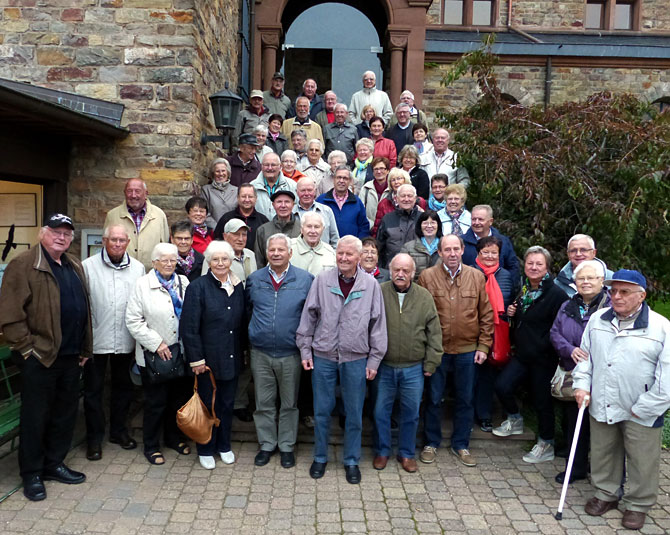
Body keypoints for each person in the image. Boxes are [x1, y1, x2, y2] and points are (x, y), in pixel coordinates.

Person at [0, 214, 92, 501]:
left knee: (64, 415)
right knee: (35, 417)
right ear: (43, 233)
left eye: (66, 233)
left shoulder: (73, 264)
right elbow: (11, 315)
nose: (61, 237)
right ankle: (32, 474)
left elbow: (84, 308)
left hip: (69, 356)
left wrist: (84, 349)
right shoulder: (23, 264)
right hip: (40, 357)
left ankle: (53, 464)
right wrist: (27, 350)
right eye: (55, 232)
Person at [574, 269, 670, 531]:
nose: (616, 296)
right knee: (604, 451)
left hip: (641, 407)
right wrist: (581, 385)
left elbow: (667, 375)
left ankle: (637, 504)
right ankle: (606, 494)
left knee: (642, 458)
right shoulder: (596, 321)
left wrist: (647, 406)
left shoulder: (661, 327)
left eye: (624, 292)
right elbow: (585, 359)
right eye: (613, 290)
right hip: (602, 400)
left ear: (641, 296)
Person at [297, 236, 387, 484]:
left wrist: (374, 361)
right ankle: (320, 457)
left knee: (354, 413)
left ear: (359, 257)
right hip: (323, 355)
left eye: (349, 254)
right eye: (340, 253)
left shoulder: (370, 285)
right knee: (322, 411)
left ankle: (351, 460)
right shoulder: (322, 280)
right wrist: (306, 351)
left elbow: (377, 325)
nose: (344, 258)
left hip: (356, 358)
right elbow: (308, 318)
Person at [417, 234, 493, 467]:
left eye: (455, 249)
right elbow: (420, 316)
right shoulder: (427, 277)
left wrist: (484, 345)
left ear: (462, 251)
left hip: (467, 350)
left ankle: (461, 444)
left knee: (465, 399)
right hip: (437, 351)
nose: (451, 253)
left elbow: (486, 314)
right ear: (439, 253)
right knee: (433, 398)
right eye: (446, 249)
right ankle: (431, 442)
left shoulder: (476, 277)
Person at [492, 246, 568, 464]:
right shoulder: (525, 288)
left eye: (539, 264)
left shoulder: (556, 295)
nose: (533, 267)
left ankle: (546, 443)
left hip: (544, 358)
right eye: (530, 263)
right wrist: (513, 313)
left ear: (547, 267)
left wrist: (541, 346)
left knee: (541, 401)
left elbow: (558, 328)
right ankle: (514, 419)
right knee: (502, 385)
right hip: (523, 354)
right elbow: (526, 319)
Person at [246, 234, 314, 469]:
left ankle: (286, 445)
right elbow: (248, 310)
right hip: (261, 352)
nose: (276, 253)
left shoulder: (305, 279)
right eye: (272, 250)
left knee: (289, 403)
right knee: (263, 402)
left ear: (290, 253)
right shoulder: (255, 279)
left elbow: (312, 315)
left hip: (290, 353)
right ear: (266, 253)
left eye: (280, 250)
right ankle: (266, 444)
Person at [180, 241, 246, 470]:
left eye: (225, 259)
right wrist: (196, 359)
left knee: (227, 405)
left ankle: (224, 445)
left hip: (231, 357)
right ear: (209, 262)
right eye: (215, 259)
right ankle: (205, 448)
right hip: (207, 361)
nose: (220, 263)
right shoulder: (197, 288)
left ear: (231, 261)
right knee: (207, 405)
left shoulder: (238, 286)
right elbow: (189, 327)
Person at [373, 253, 442, 473]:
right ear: (390, 270)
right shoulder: (379, 291)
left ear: (413, 273)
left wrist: (431, 363)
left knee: (411, 413)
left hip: (414, 367)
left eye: (405, 271)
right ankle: (382, 451)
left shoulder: (424, 296)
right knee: (380, 412)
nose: (400, 274)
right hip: (384, 365)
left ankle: (406, 453)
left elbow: (434, 332)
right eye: (396, 270)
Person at [82, 225, 145, 461]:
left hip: (126, 339)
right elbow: (83, 306)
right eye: (113, 240)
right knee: (93, 392)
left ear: (128, 242)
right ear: (104, 241)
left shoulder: (138, 268)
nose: (117, 244)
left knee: (123, 389)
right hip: (96, 340)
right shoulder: (88, 267)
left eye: (121, 240)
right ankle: (94, 439)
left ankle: (118, 432)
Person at [125, 243, 191, 466]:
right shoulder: (143, 285)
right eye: (164, 260)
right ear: (154, 262)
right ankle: (151, 445)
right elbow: (133, 321)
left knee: (177, 401)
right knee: (156, 403)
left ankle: (173, 438)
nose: (169, 264)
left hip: (180, 353)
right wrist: (157, 343)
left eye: (173, 260)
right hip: (155, 356)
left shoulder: (184, 282)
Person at [549, 260, 609, 483]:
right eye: (581, 278)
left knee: (603, 427)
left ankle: (605, 473)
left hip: (603, 375)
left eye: (591, 278)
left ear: (601, 281)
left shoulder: (610, 306)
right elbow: (555, 333)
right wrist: (569, 349)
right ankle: (576, 468)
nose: (585, 282)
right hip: (574, 373)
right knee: (575, 424)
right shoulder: (568, 305)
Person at [472, 236, 516, 433]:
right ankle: (467, 413)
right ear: (478, 254)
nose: (489, 256)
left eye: (494, 253)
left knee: (488, 375)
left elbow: (512, 300)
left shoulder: (506, 275)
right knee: (470, 375)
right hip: (472, 329)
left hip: (496, 331)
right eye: (485, 252)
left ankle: (484, 415)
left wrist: (511, 310)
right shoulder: (470, 273)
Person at [221, 219, 257, 423]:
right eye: (236, 234)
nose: (241, 238)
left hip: (248, 316)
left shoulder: (250, 255)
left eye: (244, 234)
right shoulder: (218, 255)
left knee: (247, 362)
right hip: (227, 318)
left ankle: (240, 402)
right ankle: (226, 401)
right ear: (226, 236)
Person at [104, 178, 170, 271]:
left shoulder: (159, 215)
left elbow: (165, 247)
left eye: (137, 191)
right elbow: (106, 247)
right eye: (129, 191)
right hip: (120, 273)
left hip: (151, 276)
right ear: (124, 193)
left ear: (146, 193)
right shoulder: (113, 215)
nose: (133, 195)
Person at [462, 204, 520, 286]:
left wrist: (508, 288)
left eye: (480, 219)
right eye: (474, 219)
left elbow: (513, 267)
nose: (476, 223)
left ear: (490, 221)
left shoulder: (504, 242)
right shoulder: (462, 242)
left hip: (500, 290)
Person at [317, 165, 370, 239]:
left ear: (350, 181)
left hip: (350, 248)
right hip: (326, 247)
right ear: (333, 179)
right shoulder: (321, 200)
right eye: (338, 177)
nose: (341, 181)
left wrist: (359, 244)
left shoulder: (357, 202)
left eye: (345, 178)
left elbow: (364, 227)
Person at [377, 184, 422, 269]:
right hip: (391, 269)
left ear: (415, 198)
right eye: (403, 196)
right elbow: (380, 248)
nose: (406, 199)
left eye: (409, 196)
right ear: (397, 199)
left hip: (417, 269)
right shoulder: (387, 219)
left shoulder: (423, 219)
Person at [371, 168, 427, 237]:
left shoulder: (420, 201)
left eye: (399, 178)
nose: (396, 182)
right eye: (393, 180)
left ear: (406, 180)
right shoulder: (383, 203)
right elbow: (377, 229)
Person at [213, 183, 269, 250]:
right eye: (243, 196)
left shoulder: (263, 221)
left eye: (250, 196)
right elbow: (217, 242)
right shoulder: (226, 218)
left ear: (255, 198)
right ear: (238, 198)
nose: (247, 200)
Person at [254, 190, 301, 267]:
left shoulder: (302, 229)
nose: (283, 205)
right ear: (273, 205)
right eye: (279, 202)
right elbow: (259, 260)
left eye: (287, 202)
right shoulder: (263, 230)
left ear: (293, 204)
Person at [249, 152, 298, 220]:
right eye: (266, 165)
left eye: (273, 165)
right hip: (260, 229)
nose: (269, 168)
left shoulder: (292, 185)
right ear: (261, 166)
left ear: (280, 166)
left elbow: (296, 209)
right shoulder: (252, 187)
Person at [294, 176, 339, 247]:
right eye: (303, 190)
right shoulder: (291, 213)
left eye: (309, 190)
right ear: (297, 192)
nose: (306, 194)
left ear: (315, 191)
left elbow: (335, 239)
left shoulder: (326, 211)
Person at [290, 212, 336, 276]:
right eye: (309, 226)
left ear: (323, 229)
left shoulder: (330, 252)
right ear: (301, 229)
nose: (313, 231)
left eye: (317, 227)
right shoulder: (288, 247)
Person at [400, 210, 443, 279]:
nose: (429, 226)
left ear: (438, 225)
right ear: (420, 226)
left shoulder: (446, 247)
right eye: (425, 223)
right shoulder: (408, 248)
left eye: (433, 223)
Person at [201, 158, 238, 229]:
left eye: (223, 171)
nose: (221, 174)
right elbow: (205, 212)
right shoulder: (206, 190)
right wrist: (217, 228)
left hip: (233, 231)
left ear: (228, 172)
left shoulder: (236, 190)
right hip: (213, 231)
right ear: (213, 173)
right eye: (217, 171)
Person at [359, 156, 390, 229]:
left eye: (382, 168)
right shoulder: (366, 188)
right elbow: (360, 211)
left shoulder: (392, 189)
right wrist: (371, 225)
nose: (379, 172)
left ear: (388, 170)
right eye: (376, 169)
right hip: (369, 229)